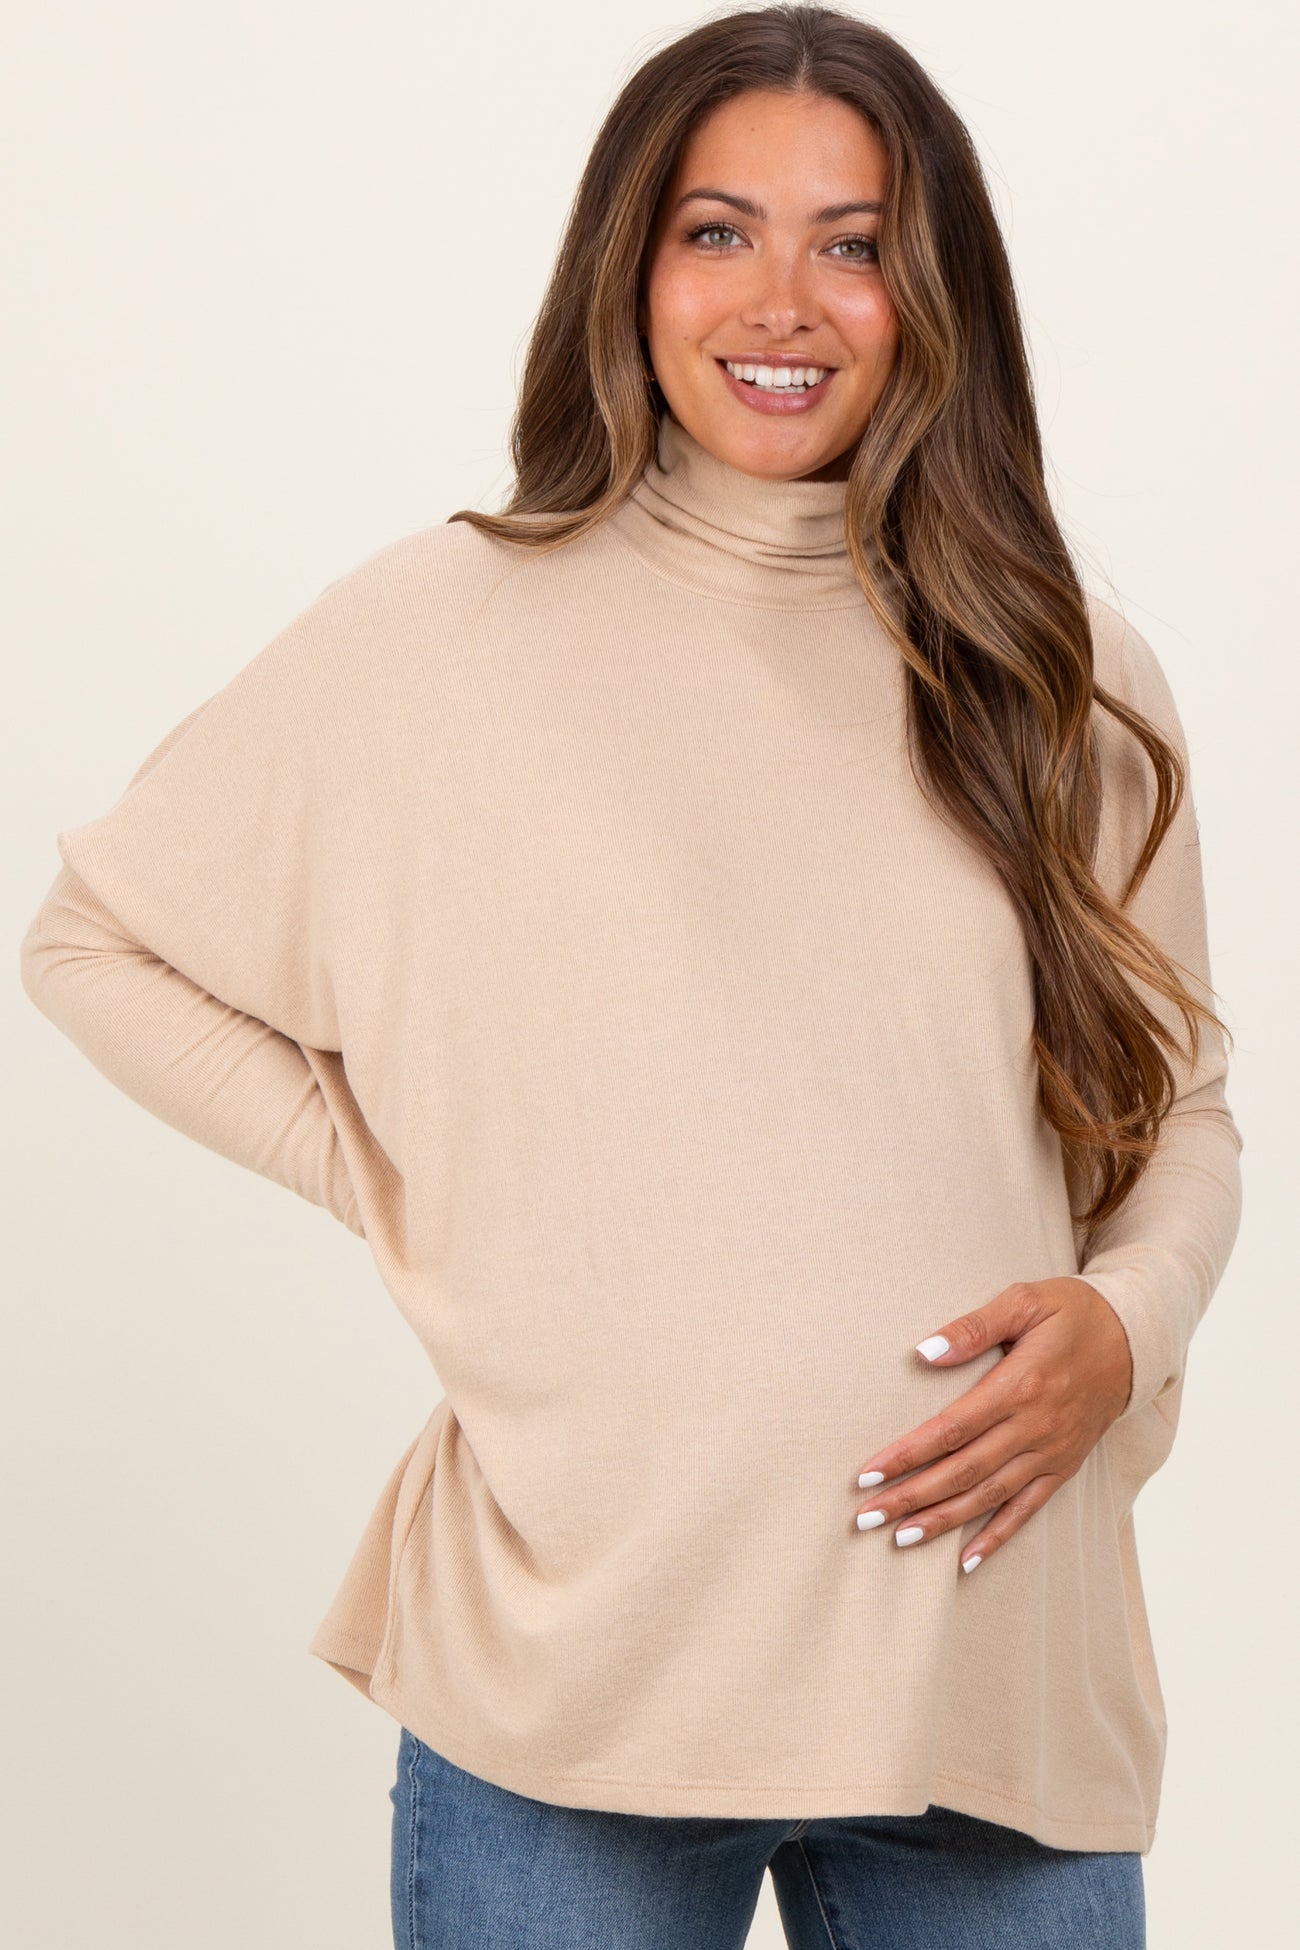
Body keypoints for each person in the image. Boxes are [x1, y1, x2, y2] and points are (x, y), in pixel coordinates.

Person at [19, 6, 1242, 1947]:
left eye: (855, 242)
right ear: (629, 263)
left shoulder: (1057, 669)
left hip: (986, 1672)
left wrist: (1127, 1316)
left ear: (935, 290)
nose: (784, 300)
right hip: (573, 1676)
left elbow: (1178, 1111)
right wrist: (402, 1181)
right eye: (717, 231)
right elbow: (95, 940)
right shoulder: (442, 631)